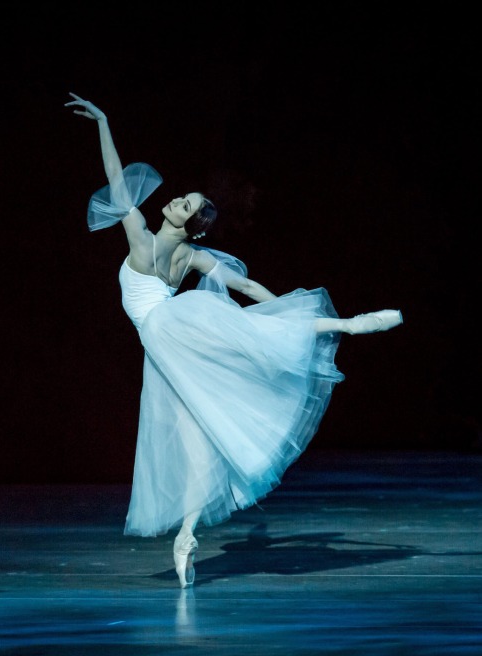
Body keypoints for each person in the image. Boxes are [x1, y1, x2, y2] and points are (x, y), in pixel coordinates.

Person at [65, 92, 403, 588]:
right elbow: (244, 287)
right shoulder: (193, 259)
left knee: (220, 402)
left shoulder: (142, 238)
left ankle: (346, 325)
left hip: (169, 332)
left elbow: (117, 182)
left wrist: (104, 125)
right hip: (167, 346)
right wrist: (276, 314)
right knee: (203, 445)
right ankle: (185, 537)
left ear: (191, 228)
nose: (179, 200)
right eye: (184, 197)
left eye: (188, 206)